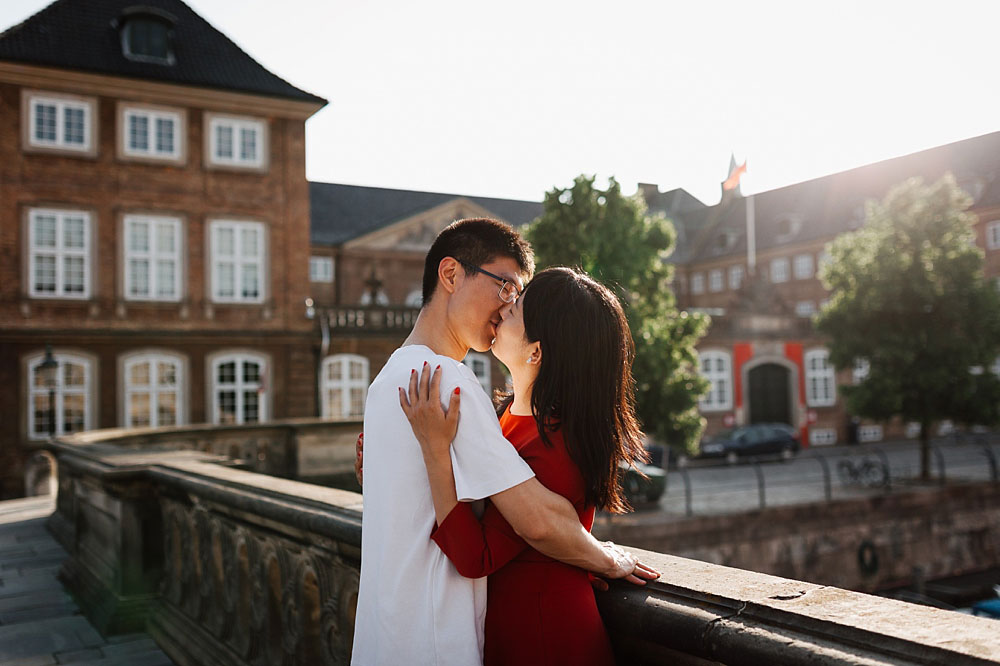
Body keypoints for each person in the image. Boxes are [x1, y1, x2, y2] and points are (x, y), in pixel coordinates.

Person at [351, 219, 655, 666]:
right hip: (436, 637)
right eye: (506, 286)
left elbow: (533, 514)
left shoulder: (387, 380)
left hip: (390, 630)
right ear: (451, 275)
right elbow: (538, 519)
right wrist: (601, 557)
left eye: (517, 297)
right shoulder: (450, 382)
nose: (507, 306)